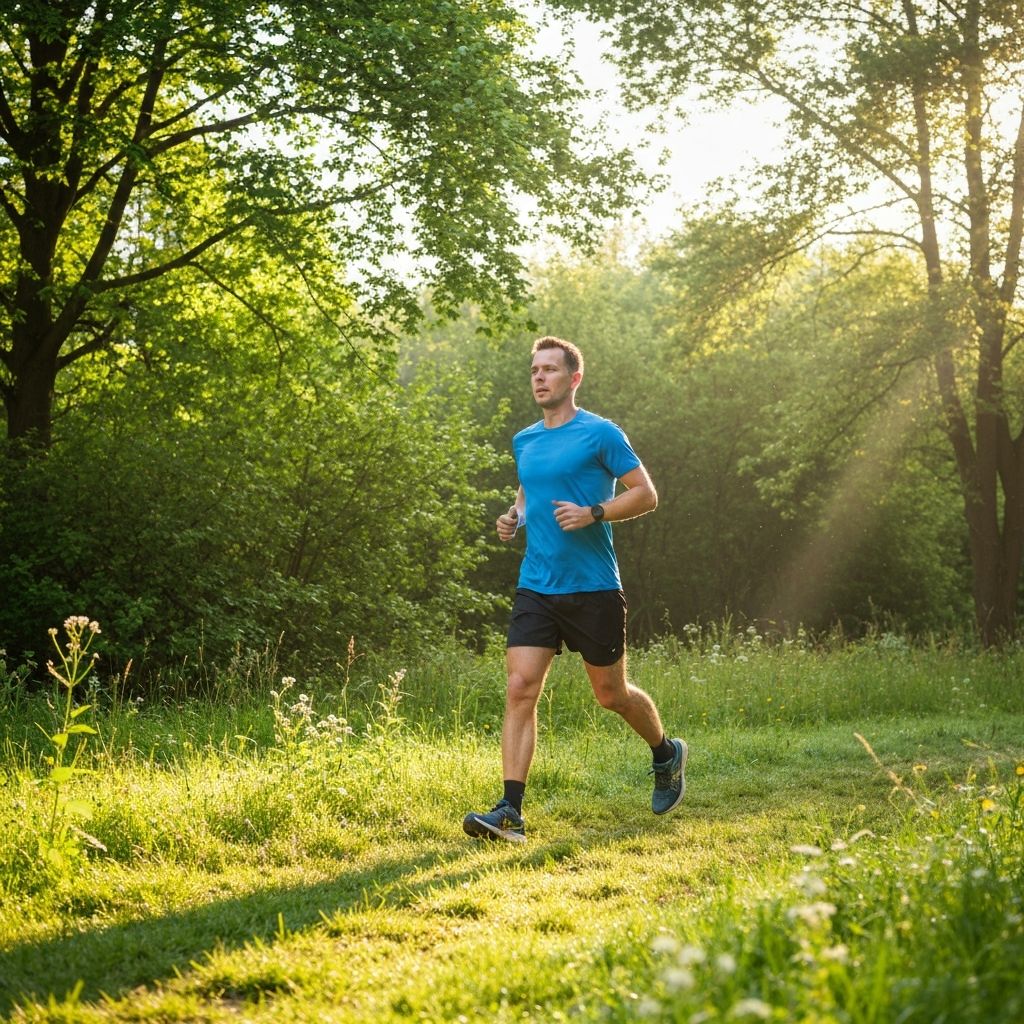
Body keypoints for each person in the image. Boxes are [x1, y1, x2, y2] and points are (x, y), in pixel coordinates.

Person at [463, 336, 687, 843]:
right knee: (520, 687)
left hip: (593, 586)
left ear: (574, 378)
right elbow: (529, 490)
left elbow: (646, 494)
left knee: (611, 695)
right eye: (534, 370)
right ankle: (511, 811)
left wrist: (594, 512)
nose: (539, 377)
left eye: (550, 369)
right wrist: (514, 516)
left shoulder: (600, 434)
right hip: (537, 584)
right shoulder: (525, 440)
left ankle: (665, 752)